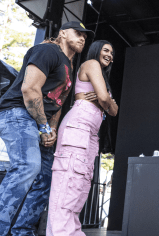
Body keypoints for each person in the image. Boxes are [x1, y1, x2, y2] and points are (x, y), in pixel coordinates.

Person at [0, 21, 93, 235]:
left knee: (45, 178)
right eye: (77, 33)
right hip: (17, 112)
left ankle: (22, 231)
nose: (82, 37)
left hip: (39, 121)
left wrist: (51, 129)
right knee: (27, 166)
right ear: (62, 33)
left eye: (85, 36)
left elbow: (58, 103)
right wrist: (43, 126)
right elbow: (30, 89)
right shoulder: (47, 51)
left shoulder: (68, 67)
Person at [46, 40, 118, 236]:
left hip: (90, 133)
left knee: (79, 188)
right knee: (68, 184)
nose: (110, 55)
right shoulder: (91, 64)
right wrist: (105, 100)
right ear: (96, 51)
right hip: (79, 126)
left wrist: (105, 100)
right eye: (106, 50)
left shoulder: (102, 77)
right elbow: (106, 101)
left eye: (112, 52)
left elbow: (114, 110)